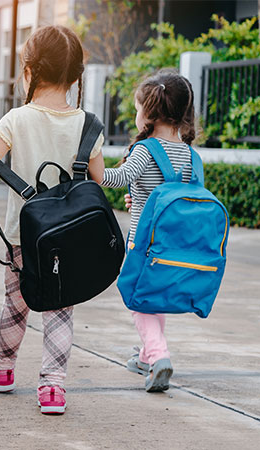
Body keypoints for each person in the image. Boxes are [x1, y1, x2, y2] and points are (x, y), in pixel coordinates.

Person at [0, 25, 105, 415]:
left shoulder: (16, 118)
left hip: (23, 238)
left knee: (16, 304)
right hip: (71, 239)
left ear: (28, 72)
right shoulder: (88, 125)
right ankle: (53, 389)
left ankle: (3, 368)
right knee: (61, 307)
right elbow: (98, 181)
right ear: (77, 76)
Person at [97, 71, 198, 392]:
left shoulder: (145, 150)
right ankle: (145, 355)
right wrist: (138, 197)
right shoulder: (190, 154)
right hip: (174, 244)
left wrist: (91, 157)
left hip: (143, 242)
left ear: (148, 114)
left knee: (138, 300)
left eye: (138, 108)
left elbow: (113, 178)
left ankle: (158, 355)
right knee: (154, 297)